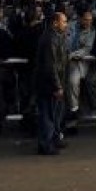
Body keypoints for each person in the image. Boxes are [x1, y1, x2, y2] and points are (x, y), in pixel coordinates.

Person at [34, 12, 69, 155]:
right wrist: (57, 85)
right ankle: (45, 144)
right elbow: (51, 65)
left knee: (54, 113)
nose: (66, 25)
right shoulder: (50, 39)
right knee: (48, 114)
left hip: (53, 81)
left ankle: (53, 139)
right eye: (64, 22)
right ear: (55, 23)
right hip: (48, 84)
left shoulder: (55, 37)